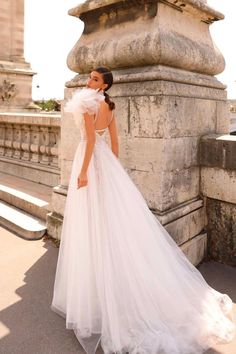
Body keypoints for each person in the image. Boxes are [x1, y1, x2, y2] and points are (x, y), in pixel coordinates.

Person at [51, 66, 235, 354]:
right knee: (108, 223)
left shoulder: (88, 103)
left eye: (95, 79)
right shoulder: (110, 107)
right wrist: (110, 170)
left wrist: (85, 172)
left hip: (88, 162)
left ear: (104, 86)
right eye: (90, 77)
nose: (90, 81)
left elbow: (88, 143)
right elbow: (114, 144)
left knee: (92, 223)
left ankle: (100, 293)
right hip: (105, 165)